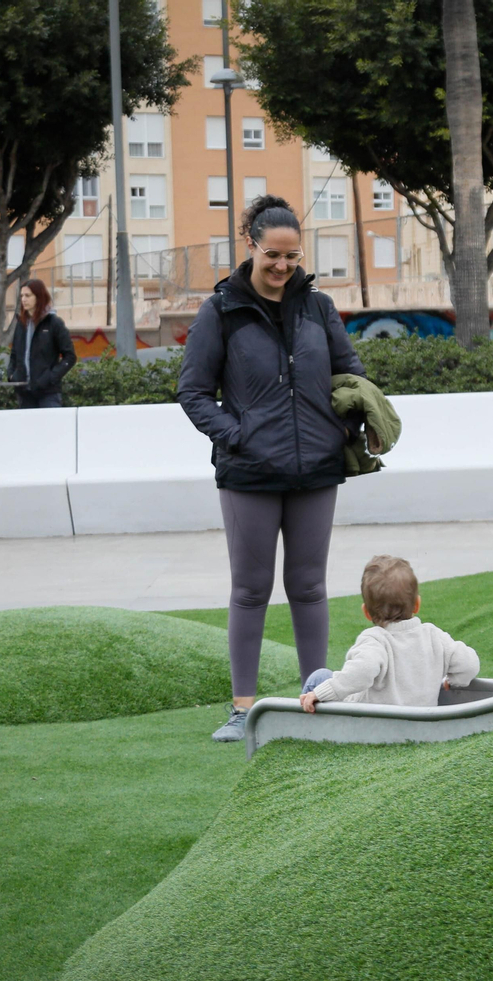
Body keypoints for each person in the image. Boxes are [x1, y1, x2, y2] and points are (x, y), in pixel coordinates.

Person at [178, 194, 367, 742]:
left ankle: (316, 697)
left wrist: (349, 429)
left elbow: (349, 374)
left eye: (292, 257)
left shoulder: (318, 307)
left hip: (316, 469)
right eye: (272, 256)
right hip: (250, 474)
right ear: (251, 246)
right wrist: (237, 437)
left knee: (309, 586)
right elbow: (192, 391)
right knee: (251, 589)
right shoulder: (221, 310)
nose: (283, 267)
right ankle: (243, 709)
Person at [298, 555, 480, 712]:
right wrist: (454, 680)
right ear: (417, 604)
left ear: (366, 612)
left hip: (372, 723)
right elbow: (469, 664)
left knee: (319, 677)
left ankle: (303, 732)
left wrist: (321, 693)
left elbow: (362, 670)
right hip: (421, 722)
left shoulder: (375, 640)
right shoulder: (434, 636)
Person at [6, 279, 76, 408]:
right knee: (27, 428)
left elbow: (70, 356)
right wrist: (12, 375)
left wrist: (50, 378)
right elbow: (14, 354)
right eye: (21, 296)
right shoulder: (21, 324)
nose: (23, 299)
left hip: (48, 394)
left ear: (38, 297)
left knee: (51, 427)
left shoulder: (53, 323)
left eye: (28, 295)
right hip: (24, 392)